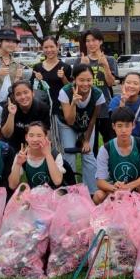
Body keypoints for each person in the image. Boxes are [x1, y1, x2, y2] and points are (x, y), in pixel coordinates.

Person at [93, 107, 140, 204]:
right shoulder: (106, 149)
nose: (123, 130)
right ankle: (102, 217)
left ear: (133, 125)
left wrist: (130, 186)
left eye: (127, 126)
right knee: (98, 195)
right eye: (119, 126)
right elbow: (100, 181)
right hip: (115, 187)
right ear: (113, 126)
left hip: (137, 186)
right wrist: (115, 188)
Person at [58, 64, 105, 194]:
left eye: (89, 80)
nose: (85, 83)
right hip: (67, 124)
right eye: (81, 80)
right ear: (74, 79)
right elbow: (70, 120)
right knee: (69, 155)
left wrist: (86, 140)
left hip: (86, 125)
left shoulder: (97, 94)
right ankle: (70, 189)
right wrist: (73, 103)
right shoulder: (65, 92)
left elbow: (93, 119)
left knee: (88, 154)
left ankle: (92, 190)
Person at [75, 28, 118, 152]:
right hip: (87, 109)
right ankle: (93, 170)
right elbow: (76, 85)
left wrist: (105, 65)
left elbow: (111, 83)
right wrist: (84, 66)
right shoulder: (81, 60)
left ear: (100, 42)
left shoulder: (109, 60)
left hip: (106, 108)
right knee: (90, 144)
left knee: (109, 141)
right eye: (87, 41)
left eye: (94, 40)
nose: (91, 44)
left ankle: (109, 168)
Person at [107, 72, 140, 148]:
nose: (131, 86)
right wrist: (122, 103)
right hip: (120, 144)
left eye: (135, 83)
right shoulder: (115, 101)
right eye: (128, 83)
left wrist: (139, 148)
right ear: (122, 84)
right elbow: (115, 126)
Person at [8, 122, 66, 189]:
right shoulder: (22, 155)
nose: (35, 140)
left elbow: (57, 181)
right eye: (31, 135)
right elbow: (12, 185)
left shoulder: (55, 154)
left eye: (39, 136)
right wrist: (18, 164)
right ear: (26, 137)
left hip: (54, 194)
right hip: (33, 195)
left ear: (46, 137)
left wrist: (48, 155)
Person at [1, 81, 52, 151]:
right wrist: (11, 114)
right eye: (18, 94)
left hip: (36, 145)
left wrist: (45, 149)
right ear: (14, 97)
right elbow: (6, 134)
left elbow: (46, 132)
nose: (23, 97)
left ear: (32, 93)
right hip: (14, 146)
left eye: (26, 92)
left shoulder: (42, 108)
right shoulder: (8, 108)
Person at [31, 35, 71, 115]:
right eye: (46, 47)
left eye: (52, 46)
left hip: (60, 110)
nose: (49, 50)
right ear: (42, 48)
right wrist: (37, 81)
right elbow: (32, 89)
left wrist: (63, 78)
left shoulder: (66, 67)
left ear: (57, 47)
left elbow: (71, 89)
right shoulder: (37, 67)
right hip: (42, 110)